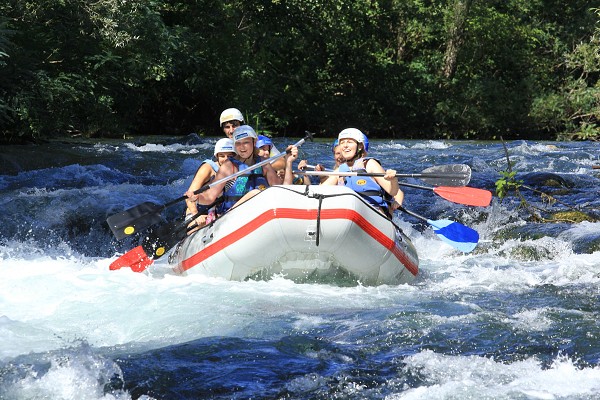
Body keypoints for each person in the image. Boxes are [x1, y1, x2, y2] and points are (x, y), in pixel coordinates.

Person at [187, 125, 298, 214]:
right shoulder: (230, 166)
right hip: (232, 216)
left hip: (260, 214)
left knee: (257, 193)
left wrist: (288, 162)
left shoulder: (263, 163)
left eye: (246, 142)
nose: (242, 147)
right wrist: (196, 198)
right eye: (238, 143)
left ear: (254, 143)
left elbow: (282, 191)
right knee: (254, 193)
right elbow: (210, 197)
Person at [321, 128, 403, 216]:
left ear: (360, 147)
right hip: (348, 215)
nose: (345, 145)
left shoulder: (370, 164)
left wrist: (393, 179)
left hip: (373, 214)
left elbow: (393, 192)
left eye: (349, 142)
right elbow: (320, 190)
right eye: (342, 142)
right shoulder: (340, 170)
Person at [184, 138, 236, 231]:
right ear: (217, 156)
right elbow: (189, 195)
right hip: (197, 211)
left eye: (230, 155)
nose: (226, 159)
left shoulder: (236, 168)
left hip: (217, 211)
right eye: (222, 156)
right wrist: (196, 215)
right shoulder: (208, 168)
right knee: (197, 226)